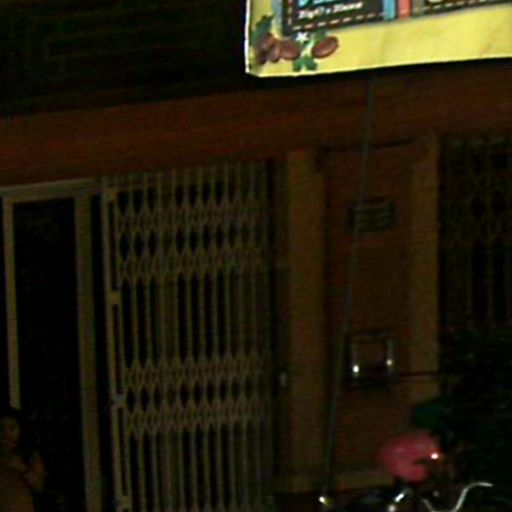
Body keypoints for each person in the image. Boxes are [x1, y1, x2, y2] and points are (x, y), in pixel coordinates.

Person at [0, 406, 45, 512]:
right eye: (1, 429)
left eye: (12, 428)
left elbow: (39, 486)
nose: (7, 434)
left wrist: (22, 468)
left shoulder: (28, 453)